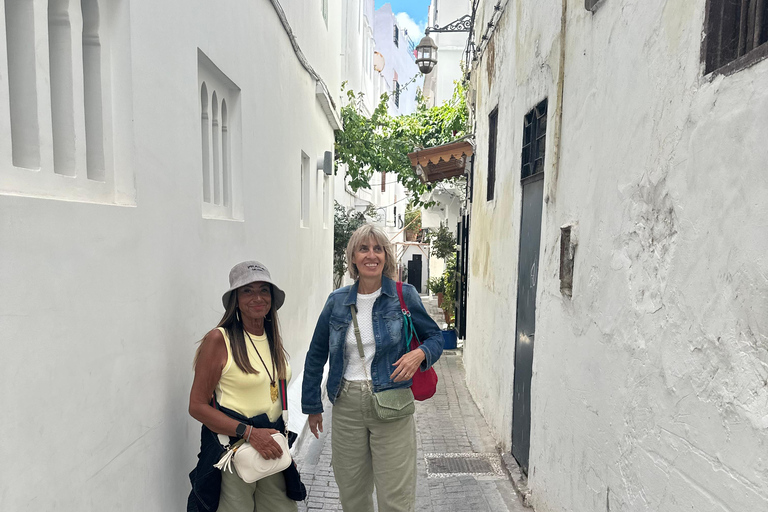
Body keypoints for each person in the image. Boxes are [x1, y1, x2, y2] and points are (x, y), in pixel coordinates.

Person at [302, 224, 444, 512]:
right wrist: (312, 405)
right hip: (347, 406)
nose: (371, 255)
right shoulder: (337, 301)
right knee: (352, 492)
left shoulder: (405, 295)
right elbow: (316, 354)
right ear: (353, 257)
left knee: (396, 494)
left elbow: (436, 337)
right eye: (363, 248)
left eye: (377, 248)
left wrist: (419, 355)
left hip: (392, 402)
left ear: (386, 256)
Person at [187, 261, 303, 512]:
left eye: (264, 290)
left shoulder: (272, 339)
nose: (257, 297)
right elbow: (197, 406)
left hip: (271, 448)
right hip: (235, 451)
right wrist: (250, 433)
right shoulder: (219, 339)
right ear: (235, 299)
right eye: (247, 291)